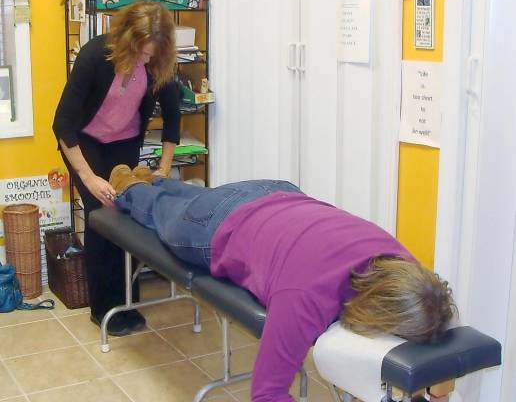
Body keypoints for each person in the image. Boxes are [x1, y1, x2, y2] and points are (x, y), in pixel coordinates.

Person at [109, 164, 456, 402]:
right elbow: (267, 393)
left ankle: (156, 179)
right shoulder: (306, 298)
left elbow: (434, 337)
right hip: (214, 227)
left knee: (190, 199)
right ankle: (134, 185)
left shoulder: (402, 265)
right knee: (158, 212)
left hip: (277, 192)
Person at [52, 0, 181, 336]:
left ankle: (128, 304)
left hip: (123, 143)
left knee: (130, 217)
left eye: (152, 54)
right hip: (85, 144)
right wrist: (88, 177)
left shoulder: (157, 63)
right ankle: (104, 308)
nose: (146, 60)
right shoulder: (95, 55)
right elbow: (62, 123)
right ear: (127, 39)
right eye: (142, 52)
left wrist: (164, 168)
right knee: (102, 218)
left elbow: (172, 114)